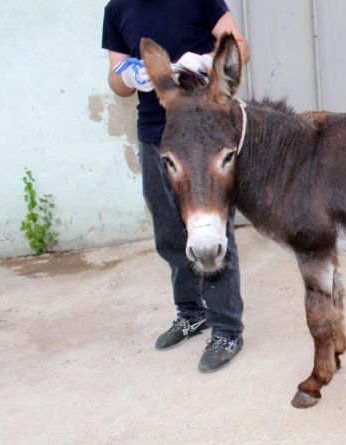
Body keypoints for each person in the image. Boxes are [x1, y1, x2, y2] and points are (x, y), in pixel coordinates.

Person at [101, 0, 251, 373]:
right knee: (169, 232)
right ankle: (191, 313)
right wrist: (130, 76)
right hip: (156, 134)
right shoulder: (116, 9)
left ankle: (226, 328)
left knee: (213, 230)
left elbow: (240, 46)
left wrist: (205, 60)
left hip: (204, 134)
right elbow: (116, 81)